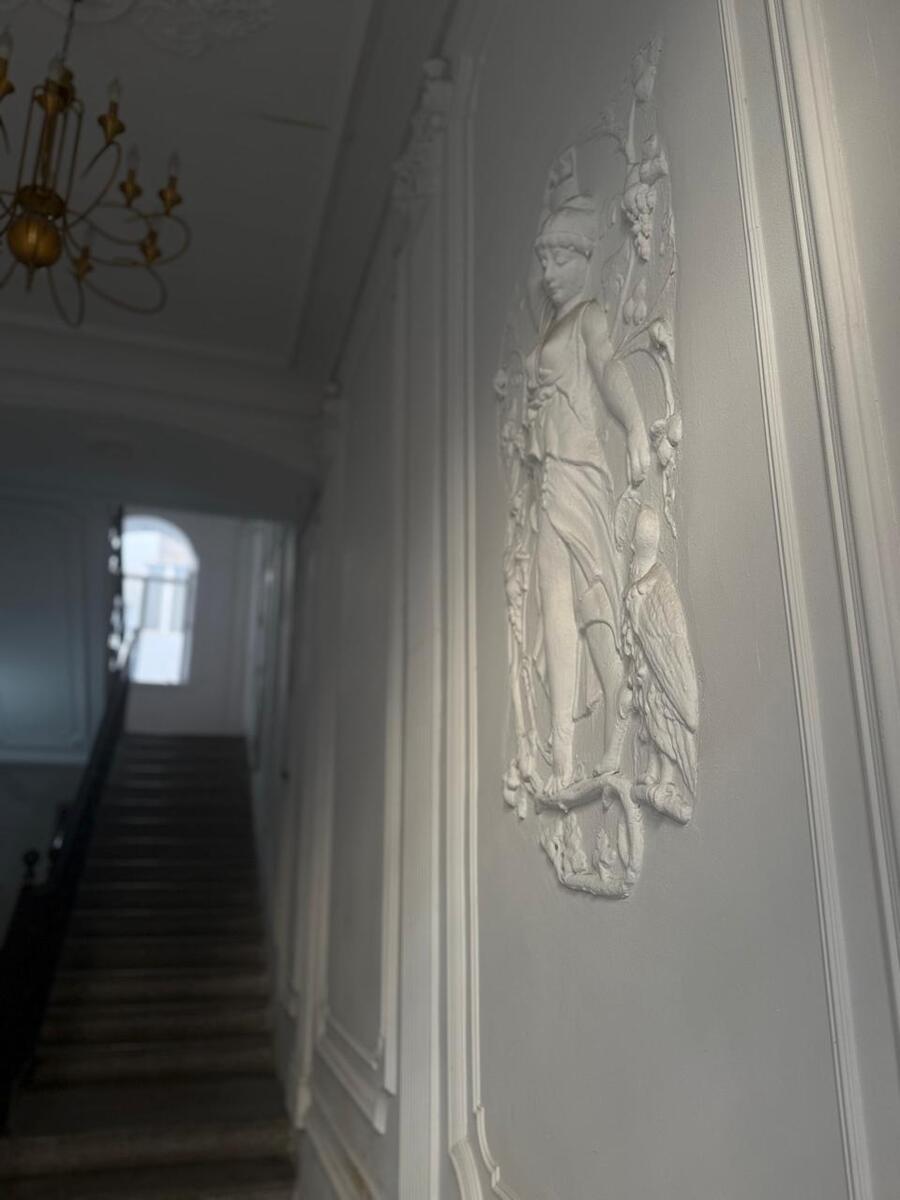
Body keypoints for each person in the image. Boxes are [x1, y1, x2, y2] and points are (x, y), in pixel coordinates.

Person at [526, 196, 650, 795]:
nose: (549, 273)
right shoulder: (552, 324)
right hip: (552, 473)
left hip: (580, 468)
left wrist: (636, 427)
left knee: (592, 590)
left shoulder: (588, 317)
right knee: (555, 604)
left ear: (582, 258)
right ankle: (564, 757)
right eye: (544, 261)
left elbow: (609, 369)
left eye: (559, 260)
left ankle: (620, 715)